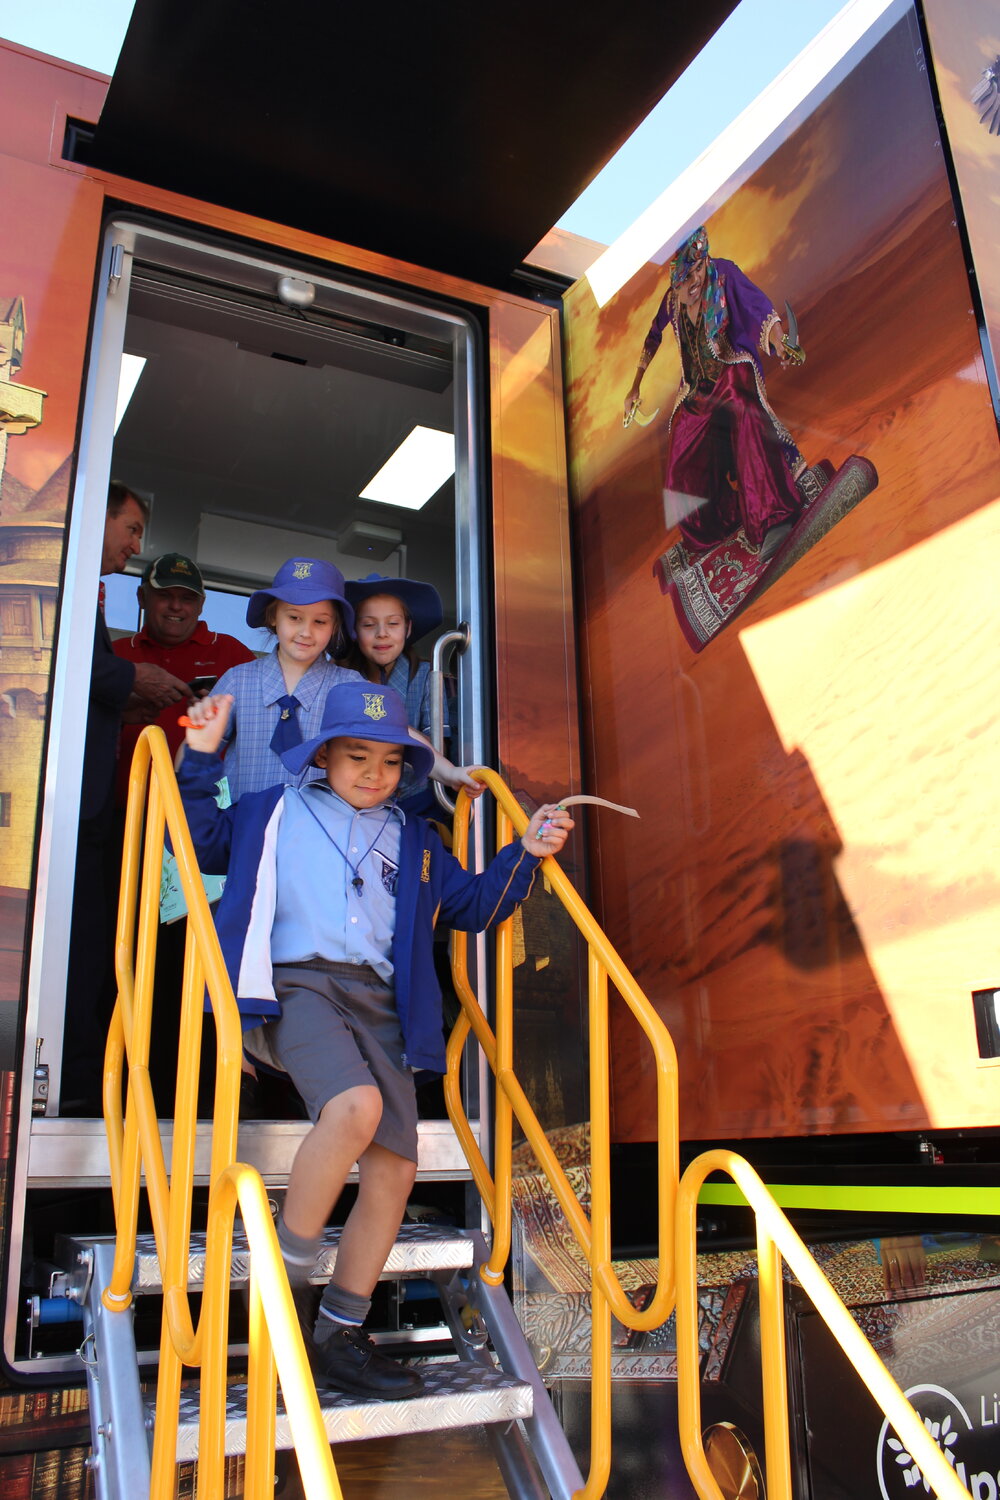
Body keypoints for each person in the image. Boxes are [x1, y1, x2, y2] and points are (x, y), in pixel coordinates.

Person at [177, 679, 573, 1397]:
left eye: (390, 762)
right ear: (323, 754)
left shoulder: (416, 839)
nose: (372, 773)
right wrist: (200, 755)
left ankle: (339, 1334)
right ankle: (280, 1300)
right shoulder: (273, 811)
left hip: (380, 1004)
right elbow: (199, 836)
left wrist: (529, 850)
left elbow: (477, 906)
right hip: (296, 987)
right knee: (354, 1109)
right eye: (356, 756)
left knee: (394, 1169)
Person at [61, 483, 192, 1113]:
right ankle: (78, 1084)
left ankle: (100, 1079)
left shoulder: (232, 657)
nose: (135, 544)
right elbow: (59, 660)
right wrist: (129, 681)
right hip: (92, 813)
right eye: (132, 528)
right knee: (88, 947)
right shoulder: (64, 568)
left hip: (186, 836)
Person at [209, 557, 478, 803]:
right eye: (294, 617)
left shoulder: (349, 683)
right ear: (273, 617)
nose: (306, 631)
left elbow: (400, 731)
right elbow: (200, 749)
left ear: (336, 626)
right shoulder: (237, 681)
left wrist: (450, 773)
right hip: (243, 832)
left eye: (320, 622)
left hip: (322, 838)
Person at [623, 225, 809, 561]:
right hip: (697, 392)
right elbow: (653, 335)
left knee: (743, 410)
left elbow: (758, 308)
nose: (693, 281)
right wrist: (635, 385)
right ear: (674, 282)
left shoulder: (724, 276)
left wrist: (780, 341)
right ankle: (718, 521)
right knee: (680, 447)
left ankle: (772, 519)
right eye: (685, 277)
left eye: (697, 269)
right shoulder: (673, 301)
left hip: (732, 373)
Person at [112, 552, 255, 807]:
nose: (176, 606)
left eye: (187, 598)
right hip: (122, 808)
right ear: (142, 597)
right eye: (165, 595)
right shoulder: (116, 654)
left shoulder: (232, 652)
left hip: (203, 809)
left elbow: (261, 725)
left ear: (201, 604)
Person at [342, 571, 450, 813]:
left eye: (393, 623)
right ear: (354, 630)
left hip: (415, 801)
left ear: (408, 628)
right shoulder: (341, 678)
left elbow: (437, 748)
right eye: (369, 624)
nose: (382, 633)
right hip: (350, 800)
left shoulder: (426, 676)